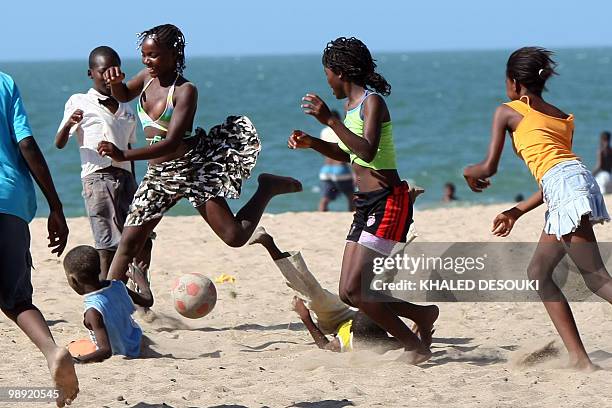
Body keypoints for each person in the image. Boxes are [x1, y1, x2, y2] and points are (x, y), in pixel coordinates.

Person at [97, 24, 301, 286]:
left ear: (174, 54)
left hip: (193, 169)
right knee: (128, 242)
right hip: (159, 176)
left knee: (235, 237)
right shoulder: (146, 77)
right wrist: (115, 85)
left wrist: (124, 155)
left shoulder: (185, 90)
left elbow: (171, 142)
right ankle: (109, 302)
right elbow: (124, 94)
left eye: (154, 55)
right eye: (145, 55)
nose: (148, 61)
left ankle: (267, 188)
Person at [288, 37, 438, 364]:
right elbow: (348, 153)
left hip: (388, 201)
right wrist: (313, 142)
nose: (327, 82)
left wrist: (329, 121)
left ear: (340, 72)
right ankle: (421, 316)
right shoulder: (349, 108)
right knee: (347, 292)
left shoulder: (373, 103)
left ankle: (414, 344)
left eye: (327, 73)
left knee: (358, 290)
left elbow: (368, 149)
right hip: (365, 204)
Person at [463, 47, 611, 371]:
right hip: (576, 180)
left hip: (566, 187)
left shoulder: (507, 110)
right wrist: (515, 212)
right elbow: (554, 176)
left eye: (507, 81)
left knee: (597, 278)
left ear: (514, 83)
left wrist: (468, 173)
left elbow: (488, 168)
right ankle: (579, 358)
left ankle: (580, 359)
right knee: (539, 273)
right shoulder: (561, 116)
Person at [0, 71, 79, 406]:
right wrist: (56, 206)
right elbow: (27, 143)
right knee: (16, 298)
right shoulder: (4, 83)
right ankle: (52, 351)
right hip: (11, 202)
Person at [55, 46, 151, 278]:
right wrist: (69, 124)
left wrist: (136, 185)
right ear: (91, 73)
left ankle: (137, 291)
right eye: (103, 71)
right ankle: (105, 295)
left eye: (114, 70)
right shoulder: (80, 101)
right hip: (97, 178)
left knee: (140, 238)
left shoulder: (127, 106)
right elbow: (59, 142)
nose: (109, 76)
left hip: (126, 178)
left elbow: (129, 149)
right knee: (107, 243)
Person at [249, 226, 402, 352]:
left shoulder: (347, 345)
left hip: (335, 321)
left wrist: (305, 317)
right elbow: (411, 340)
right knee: (378, 283)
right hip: (356, 319)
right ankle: (401, 224)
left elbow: (324, 346)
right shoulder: (386, 340)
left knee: (314, 297)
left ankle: (269, 244)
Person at [63, 245, 152, 363]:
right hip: (137, 343)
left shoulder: (93, 311)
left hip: (122, 352)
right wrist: (140, 279)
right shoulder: (118, 286)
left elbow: (105, 350)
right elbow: (148, 300)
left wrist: (77, 361)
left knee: (71, 347)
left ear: (73, 280)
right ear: (99, 269)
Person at [318, 110, 355, 211]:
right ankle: (353, 217)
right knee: (351, 197)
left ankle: (321, 217)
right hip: (340, 169)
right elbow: (349, 151)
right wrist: (355, 174)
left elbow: (322, 152)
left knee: (325, 199)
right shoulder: (342, 130)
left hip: (326, 169)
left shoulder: (324, 131)